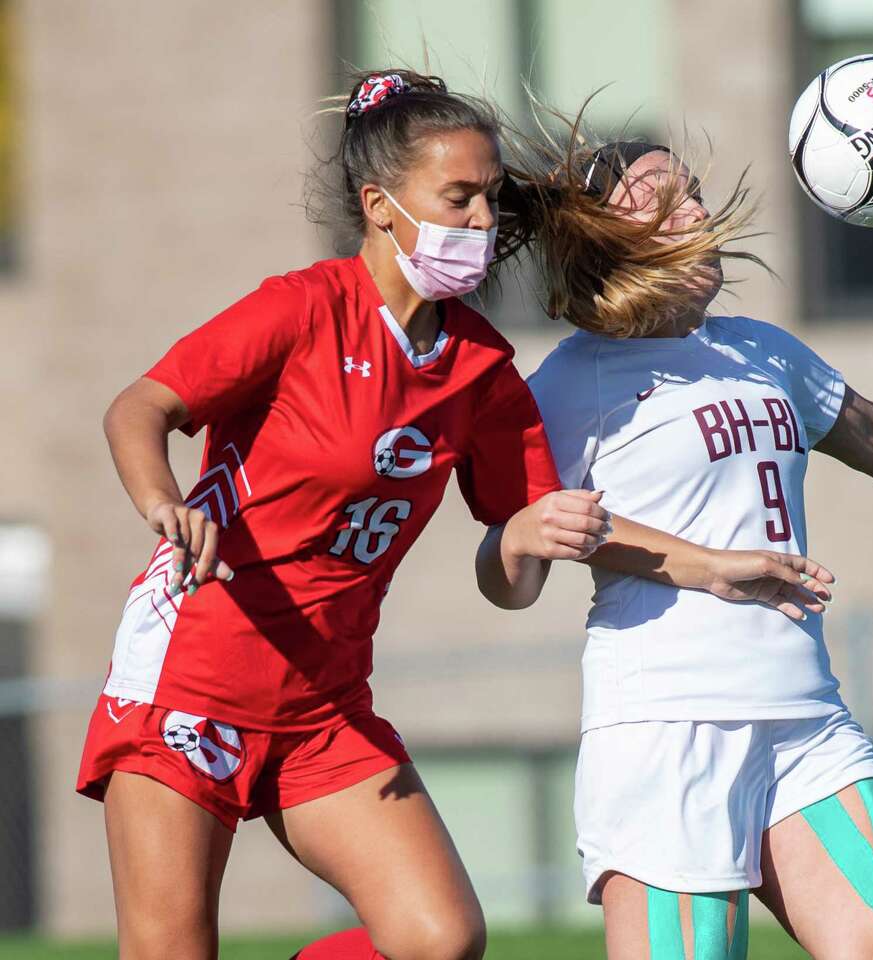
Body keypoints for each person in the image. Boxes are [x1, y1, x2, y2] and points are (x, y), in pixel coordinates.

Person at [77, 71, 833, 960]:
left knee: (439, 940)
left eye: (489, 197)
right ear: (381, 205)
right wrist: (164, 502)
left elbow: (540, 535)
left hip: (323, 705)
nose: (481, 220)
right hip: (191, 680)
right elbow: (140, 405)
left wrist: (704, 565)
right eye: (458, 197)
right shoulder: (302, 309)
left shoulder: (480, 366)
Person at [519, 137, 873, 960]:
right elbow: (526, 545)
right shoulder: (570, 381)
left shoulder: (761, 349)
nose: (698, 211)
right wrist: (704, 565)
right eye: (660, 196)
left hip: (806, 721)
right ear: (600, 234)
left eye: (698, 192)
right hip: (667, 727)